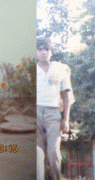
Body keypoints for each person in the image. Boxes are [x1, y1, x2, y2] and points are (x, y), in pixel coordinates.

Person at [36, 38, 74, 180]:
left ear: (51, 52)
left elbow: (66, 95)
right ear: (36, 52)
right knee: (38, 156)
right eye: (40, 49)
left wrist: (66, 118)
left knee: (53, 154)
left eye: (47, 49)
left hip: (53, 114)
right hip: (36, 113)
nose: (43, 52)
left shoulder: (60, 69)